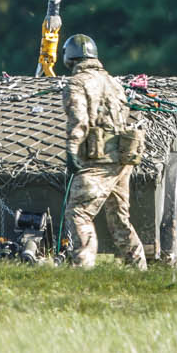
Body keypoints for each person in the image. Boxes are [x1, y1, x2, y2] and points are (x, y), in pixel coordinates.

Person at [61, 33, 148, 270]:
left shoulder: (77, 83)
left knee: (78, 212)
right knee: (118, 217)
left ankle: (83, 266)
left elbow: (79, 119)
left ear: (69, 58)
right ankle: (138, 266)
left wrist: (71, 149)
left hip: (100, 159)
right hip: (123, 158)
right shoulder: (113, 82)